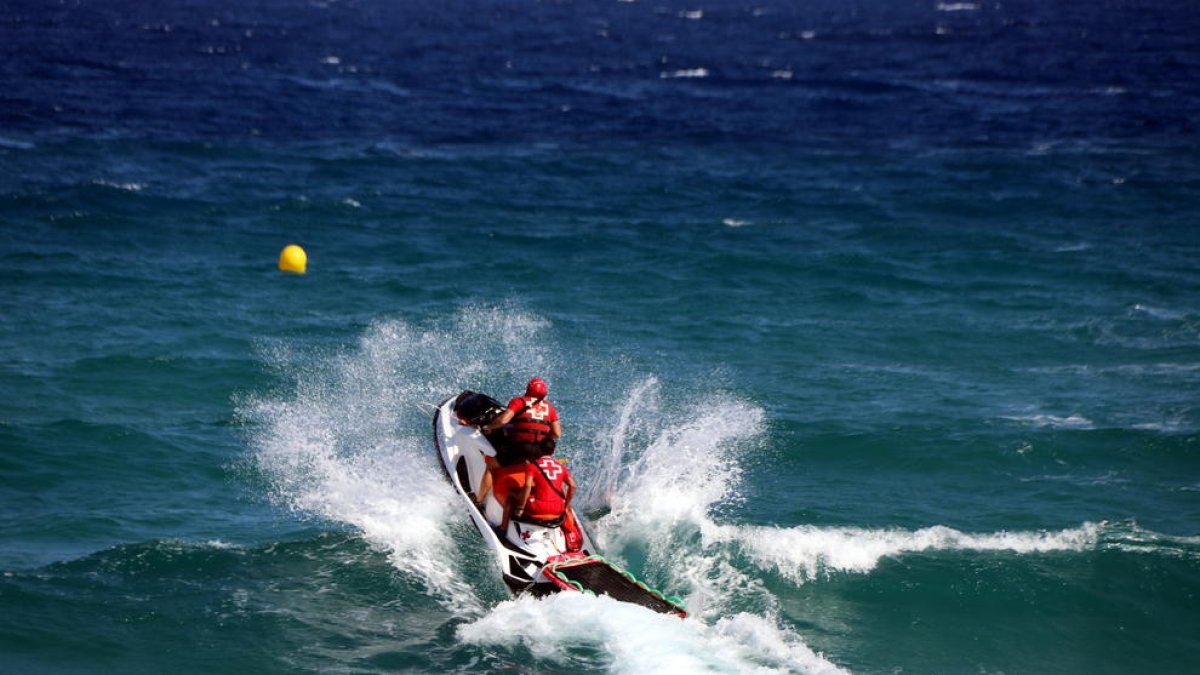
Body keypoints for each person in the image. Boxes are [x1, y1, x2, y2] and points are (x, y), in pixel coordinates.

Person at [475, 377, 561, 505]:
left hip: (520, 448)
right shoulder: (550, 408)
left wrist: (489, 427)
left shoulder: (519, 402)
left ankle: (479, 500)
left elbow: (503, 421)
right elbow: (556, 434)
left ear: (527, 390)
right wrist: (538, 432)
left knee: (491, 465)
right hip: (539, 452)